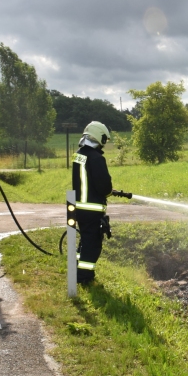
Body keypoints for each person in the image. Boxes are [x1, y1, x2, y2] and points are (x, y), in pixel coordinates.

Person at [71, 121, 113, 284]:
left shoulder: (79, 155)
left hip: (79, 208)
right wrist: (109, 190)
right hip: (92, 210)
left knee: (85, 242)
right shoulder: (96, 159)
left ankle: (77, 271)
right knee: (93, 245)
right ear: (99, 137)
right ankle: (84, 277)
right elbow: (104, 187)